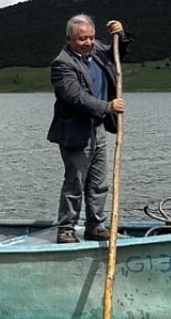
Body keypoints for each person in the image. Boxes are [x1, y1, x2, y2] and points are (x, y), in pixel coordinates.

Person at [47, 15, 130, 244]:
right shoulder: (62, 64)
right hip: (75, 132)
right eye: (82, 39)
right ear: (69, 39)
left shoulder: (97, 50)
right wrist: (108, 107)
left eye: (92, 37)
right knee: (75, 182)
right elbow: (76, 97)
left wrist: (121, 35)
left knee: (98, 183)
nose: (89, 42)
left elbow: (117, 53)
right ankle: (66, 229)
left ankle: (95, 226)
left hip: (98, 128)